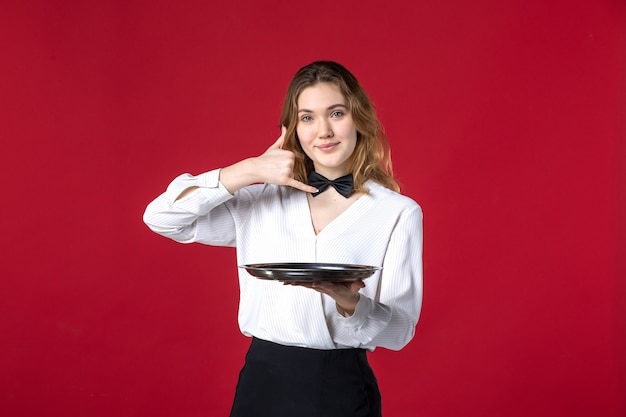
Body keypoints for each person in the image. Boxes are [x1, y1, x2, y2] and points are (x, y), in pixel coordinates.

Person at [143, 61, 423, 417]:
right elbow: (161, 218)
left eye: (336, 113)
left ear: (359, 119)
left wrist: (349, 301)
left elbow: (399, 332)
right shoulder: (259, 200)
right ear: (292, 129)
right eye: (307, 117)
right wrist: (248, 170)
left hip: (340, 387)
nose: (323, 131)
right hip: (262, 381)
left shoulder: (398, 212)